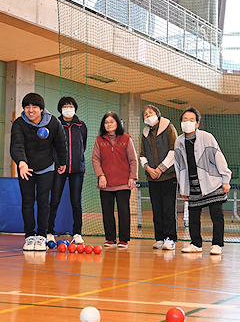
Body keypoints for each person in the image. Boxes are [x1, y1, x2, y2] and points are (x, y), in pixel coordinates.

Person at [10, 93, 67, 251]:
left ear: (41, 109)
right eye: (27, 106)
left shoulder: (53, 122)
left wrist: (63, 162)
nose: (30, 110)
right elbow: (17, 145)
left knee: (43, 201)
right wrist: (21, 162)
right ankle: (29, 236)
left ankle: (41, 235)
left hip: (47, 166)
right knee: (27, 202)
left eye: (34, 106)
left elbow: (61, 143)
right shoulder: (19, 124)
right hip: (26, 168)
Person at [174, 107, 231, 255]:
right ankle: (196, 244)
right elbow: (179, 167)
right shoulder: (179, 142)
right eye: (185, 120)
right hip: (192, 186)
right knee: (193, 216)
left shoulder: (207, 137)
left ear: (197, 123)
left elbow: (219, 158)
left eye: (191, 120)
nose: (188, 122)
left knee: (216, 215)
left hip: (212, 183)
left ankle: (217, 244)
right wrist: (183, 188)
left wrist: (225, 179)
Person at [92, 112, 138, 249]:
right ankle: (110, 239)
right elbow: (95, 159)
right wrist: (100, 176)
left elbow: (133, 159)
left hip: (124, 182)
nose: (109, 124)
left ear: (117, 123)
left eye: (112, 121)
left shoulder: (126, 138)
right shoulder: (99, 140)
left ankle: (124, 239)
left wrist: (132, 177)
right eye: (106, 122)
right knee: (107, 211)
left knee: (124, 211)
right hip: (105, 183)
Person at [47, 97, 87, 245]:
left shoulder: (81, 125)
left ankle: (77, 233)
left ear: (75, 108)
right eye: (65, 106)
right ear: (60, 109)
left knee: (76, 202)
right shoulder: (55, 124)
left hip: (77, 170)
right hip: (59, 169)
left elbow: (83, 145)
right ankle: (49, 232)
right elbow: (51, 146)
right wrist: (59, 162)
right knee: (54, 200)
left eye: (70, 106)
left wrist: (77, 160)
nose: (68, 108)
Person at [140, 104, 178, 250]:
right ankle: (160, 237)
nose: (148, 116)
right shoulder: (145, 133)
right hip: (152, 177)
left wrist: (160, 169)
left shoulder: (168, 127)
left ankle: (170, 238)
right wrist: (149, 169)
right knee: (156, 208)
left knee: (168, 208)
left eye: (150, 112)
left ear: (157, 113)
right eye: (145, 114)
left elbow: (173, 151)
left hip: (168, 176)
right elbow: (142, 155)